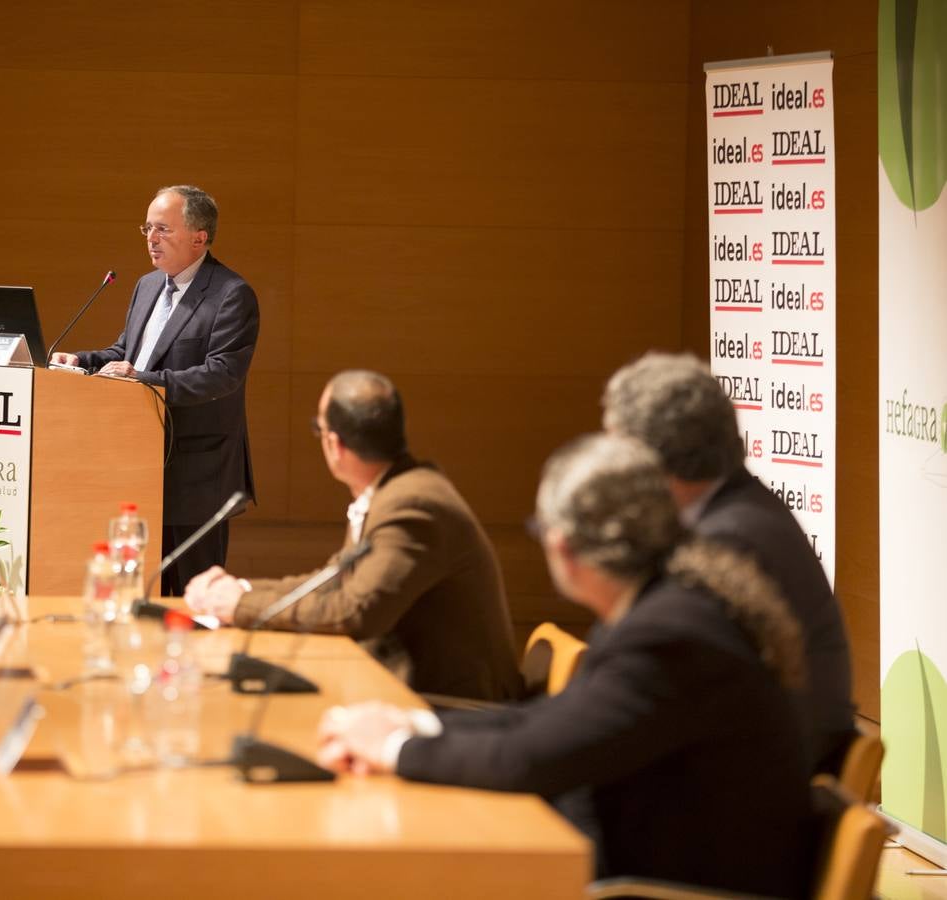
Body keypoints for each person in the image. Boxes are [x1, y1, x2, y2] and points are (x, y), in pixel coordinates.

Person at [317, 434, 815, 898]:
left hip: (673, 885)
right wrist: (412, 725)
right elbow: (551, 721)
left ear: (564, 546)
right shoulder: (668, 605)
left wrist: (394, 749)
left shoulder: (668, 635)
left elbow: (530, 757)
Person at [185, 370, 522, 703]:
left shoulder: (412, 504)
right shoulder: (394, 491)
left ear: (334, 443)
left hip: (457, 710)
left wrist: (240, 605)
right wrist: (241, 590)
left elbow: (354, 611)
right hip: (412, 692)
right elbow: (335, 582)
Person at [601, 351, 854, 773]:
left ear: (653, 458)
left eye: (615, 450)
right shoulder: (739, 509)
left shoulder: (730, 540)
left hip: (764, 790)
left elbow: (654, 687)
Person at [53, 185, 258, 597]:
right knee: (141, 593)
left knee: (191, 597)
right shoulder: (147, 286)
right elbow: (128, 353)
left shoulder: (231, 295)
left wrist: (142, 381)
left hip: (196, 475)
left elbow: (222, 375)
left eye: (162, 229)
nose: (151, 238)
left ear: (199, 237)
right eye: (147, 228)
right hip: (134, 464)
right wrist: (82, 361)